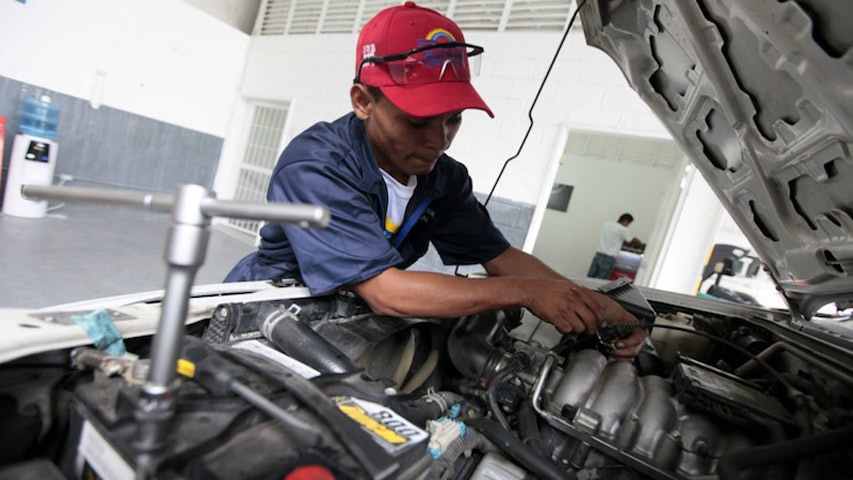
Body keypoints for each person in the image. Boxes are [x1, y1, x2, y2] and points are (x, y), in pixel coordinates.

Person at [226, 2, 645, 357]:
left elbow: (500, 257)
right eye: (417, 122)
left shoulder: (442, 179)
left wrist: (595, 306)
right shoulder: (317, 166)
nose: (438, 141)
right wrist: (526, 292)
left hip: (345, 326)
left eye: (453, 119)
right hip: (258, 321)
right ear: (362, 101)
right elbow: (387, 291)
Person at [588, 213, 644, 280]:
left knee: (589, 278)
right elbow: (631, 241)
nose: (628, 226)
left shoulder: (607, 224)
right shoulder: (623, 229)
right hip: (609, 258)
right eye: (629, 223)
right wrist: (641, 244)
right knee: (600, 280)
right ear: (626, 221)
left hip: (598, 255)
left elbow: (613, 238)